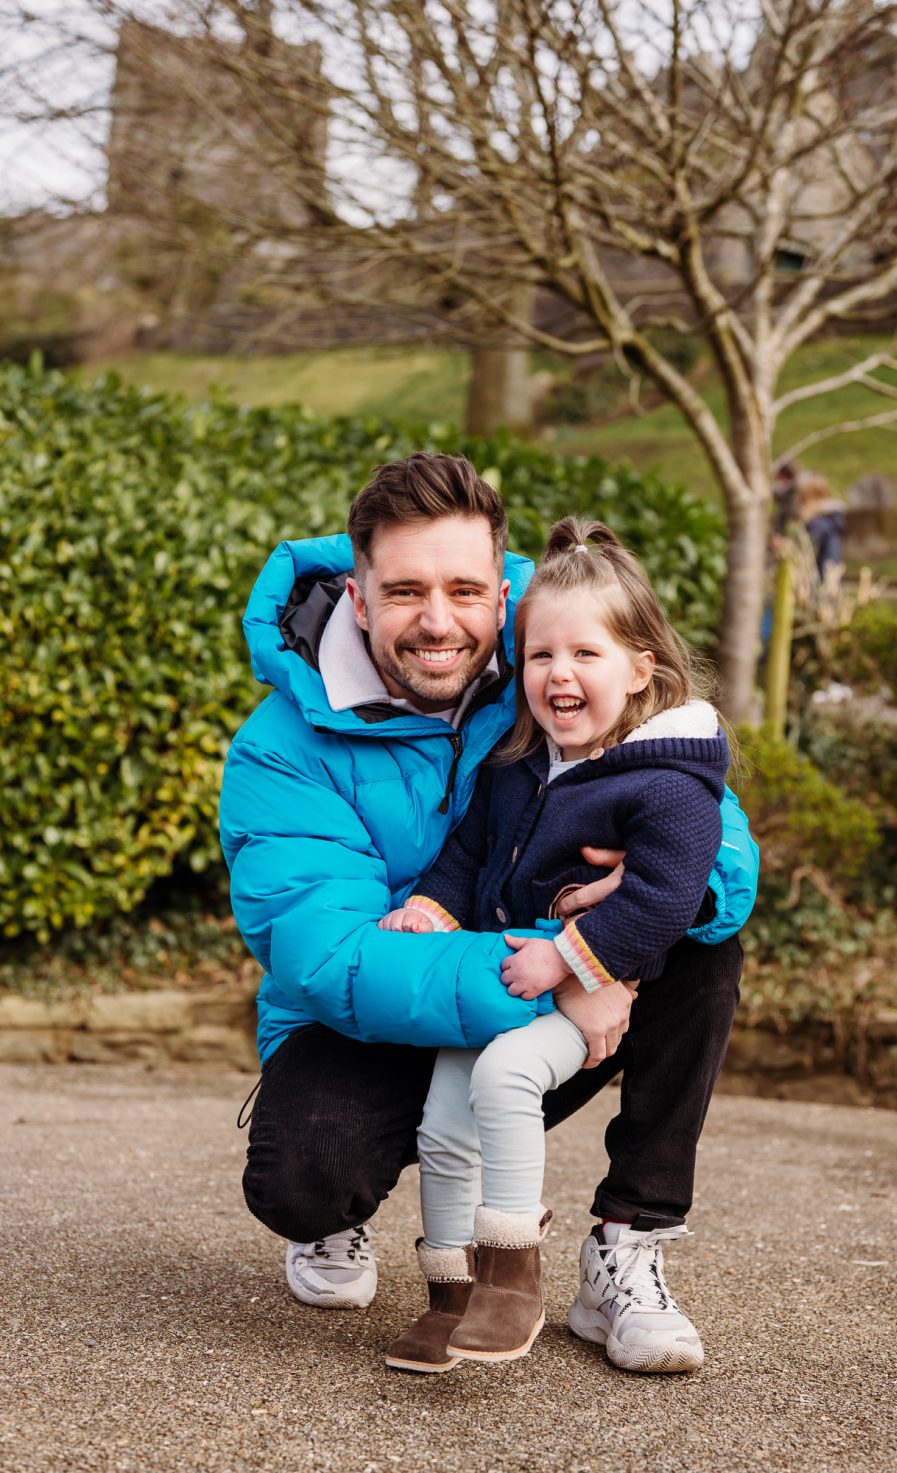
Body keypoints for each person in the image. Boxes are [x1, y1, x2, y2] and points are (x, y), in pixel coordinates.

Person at [219, 453, 758, 1373]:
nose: (439, 621)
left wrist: (630, 927)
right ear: (357, 595)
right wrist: (569, 962)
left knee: (703, 936)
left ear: (499, 589)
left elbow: (706, 825)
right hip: (375, 1015)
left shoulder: (556, 646)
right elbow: (333, 959)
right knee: (304, 1176)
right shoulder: (279, 752)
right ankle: (337, 1219)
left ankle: (625, 1246)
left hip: (547, 979)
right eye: (405, 592)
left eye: (466, 588)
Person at [380, 517, 733, 1376]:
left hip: (589, 993)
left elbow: (664, 896)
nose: (559, 675)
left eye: (586, 656)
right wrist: (431, 901)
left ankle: (515, 1276)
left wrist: (573, 960)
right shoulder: (519, 763)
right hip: (507, 984)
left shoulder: (668, 780)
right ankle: (451, 1292)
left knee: (504, 1078)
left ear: (640, 669)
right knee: (442, 1119)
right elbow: (469, 853)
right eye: (540, 657)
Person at [798, 473, 847, 581]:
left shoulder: (820, 521)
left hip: (821, 574)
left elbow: (809, 545)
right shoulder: (832, 517)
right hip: (830, 571)